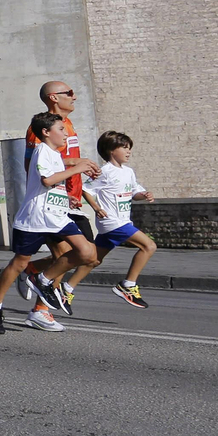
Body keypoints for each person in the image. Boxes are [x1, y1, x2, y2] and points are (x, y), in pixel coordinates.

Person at [0, 111, 102, 334]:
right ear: (46, 133)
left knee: (88, 254)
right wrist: (76, 168)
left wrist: (69, 195)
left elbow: (54, 182)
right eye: (61, 130)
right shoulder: (41, 150)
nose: (66, 134)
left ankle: (42, 278)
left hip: (57, 216)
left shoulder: (54, 154)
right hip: (35, 218)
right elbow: (47, 180)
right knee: (19, 263)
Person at [21, 81, 94, 315]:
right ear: (53, 97)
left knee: (89, 255)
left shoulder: (67, 125)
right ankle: (42, 311)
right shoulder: (40, 129)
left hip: (70, 199)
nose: (74, 97)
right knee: (63, 255)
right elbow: (34, 167)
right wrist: (75, 165)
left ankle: (31, 270)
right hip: (52, 202)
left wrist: (77, 191)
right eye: (69, 93)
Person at [65, 131, 158, 308]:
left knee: (94, 260)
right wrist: (96, 207)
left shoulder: (129, 172)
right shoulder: (104, 172)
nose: (128, 151)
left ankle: (67, 289)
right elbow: (86, 190)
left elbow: (133, 194)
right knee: (149, 246)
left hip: (122, 221)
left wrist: (144, 195)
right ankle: (128, 286)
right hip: (113, 222)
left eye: (129, 148)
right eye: (124, 147)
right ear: (110, 150)